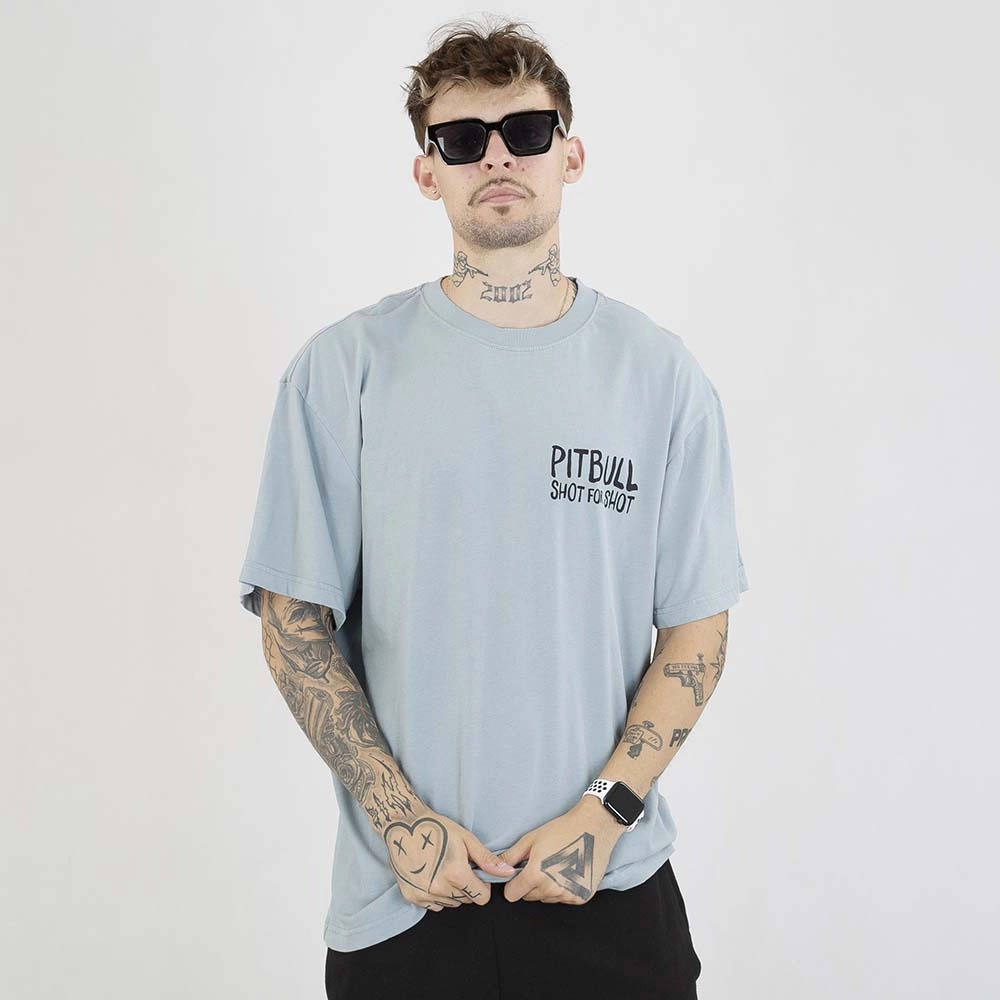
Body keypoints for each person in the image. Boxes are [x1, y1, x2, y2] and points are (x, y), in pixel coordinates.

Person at [237, 17, 749, 1000]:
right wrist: (401, 820)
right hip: (409, 899)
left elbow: (697, 629)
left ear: (571, 154)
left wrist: (603, 814)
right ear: (427, 172)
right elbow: (294, 621)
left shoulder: (659, 377)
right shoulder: (343, 372)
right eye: (464, 139)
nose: (498, 157)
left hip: (609, 888)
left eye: (526, 130)